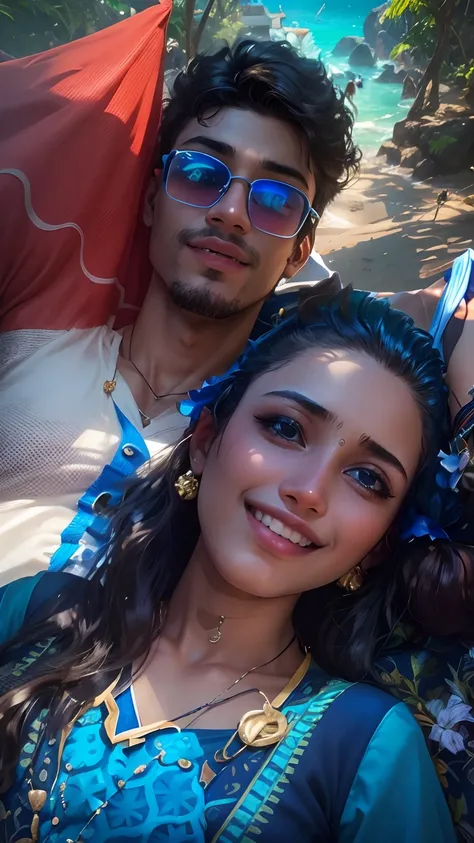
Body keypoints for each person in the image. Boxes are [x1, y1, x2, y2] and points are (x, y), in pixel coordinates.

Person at [0, 289, 458, 842]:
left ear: (381, 543)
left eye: (368, 478)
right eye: (286, 428)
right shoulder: (35, 612)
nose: (308, 491)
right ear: (205, 440)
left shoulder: (365, 749)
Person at [0, 33, 359, 585]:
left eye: (275, 200)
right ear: (150, 199)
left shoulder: (263, 446)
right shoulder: (30, 342)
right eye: (199, 173)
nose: (232, 213)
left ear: (298, 253)